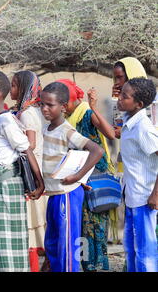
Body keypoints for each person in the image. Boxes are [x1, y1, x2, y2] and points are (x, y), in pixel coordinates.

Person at [0, 71, 44, 272]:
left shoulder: (6, 120)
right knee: (3, 243)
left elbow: (25, 149)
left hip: (8, 186)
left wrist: (40, 183)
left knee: (7, 243)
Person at [40, 82, 104, 272]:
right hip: (54, 194)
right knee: (53, 243)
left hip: (67, 194)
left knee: (67, 245)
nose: (44, 108)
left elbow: (97, 150)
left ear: (63, 106)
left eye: (49, 105)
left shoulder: (66, 130)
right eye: (42, 104)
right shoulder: (47, 128)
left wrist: (78, 175)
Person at [56, 79, 116, 272]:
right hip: (78, 179)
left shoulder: (86, 113)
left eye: (66, 102)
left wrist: (94, 107)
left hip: (95, 177)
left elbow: (110, 134)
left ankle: (98, 266)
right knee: (82, 227)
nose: (64, 107)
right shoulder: (65, 119)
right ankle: (87, 265)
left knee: (96, 226)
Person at [117, 78, 158, 272]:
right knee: (132, 250)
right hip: (132, 197)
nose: (119, 97)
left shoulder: (143, 128)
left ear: (139, 104)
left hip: (145, 199)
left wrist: (156, 194)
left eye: (124, 96)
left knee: (146, 252)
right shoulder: (128, 121)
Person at [10, 70, 48, 272]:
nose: (11, 89)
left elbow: (30, 145)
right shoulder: (30, 110)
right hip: (33, 173)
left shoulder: (27, 113)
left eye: (14, 85)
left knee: (31, 227)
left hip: (30, 176)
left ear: (24, 88)